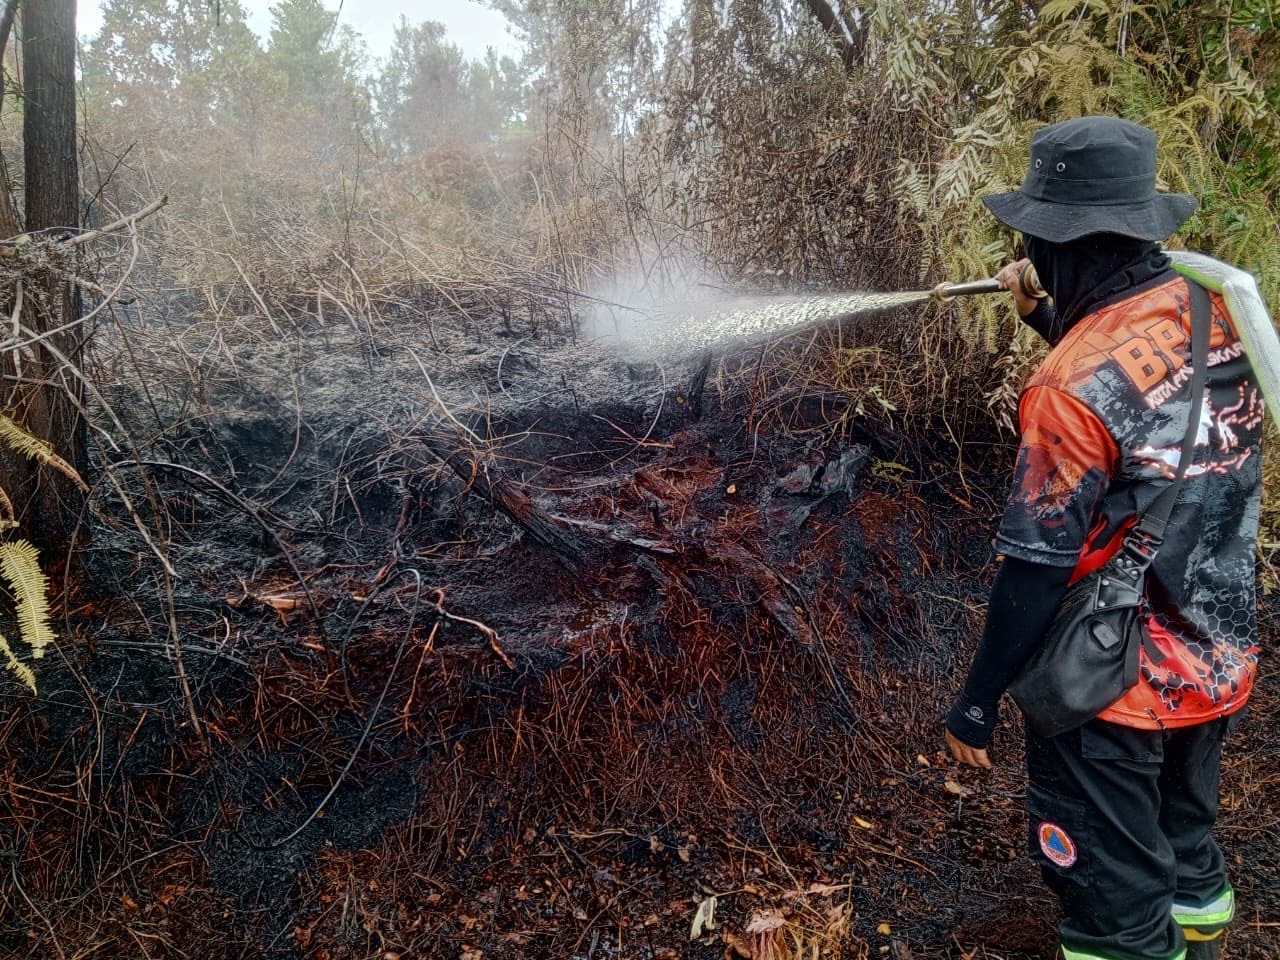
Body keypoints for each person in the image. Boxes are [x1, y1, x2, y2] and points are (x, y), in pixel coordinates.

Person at [944, 115, 1263, 960]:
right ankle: (1204, 938)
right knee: (1188, 858)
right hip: (1217, 654)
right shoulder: (1216, 311)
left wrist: (976, 705)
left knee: (1114, 913)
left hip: (1112, 686)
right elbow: (1150, 401)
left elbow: (1036, 570)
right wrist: (1050, 315)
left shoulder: (1067, 391)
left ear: (1062, 239)